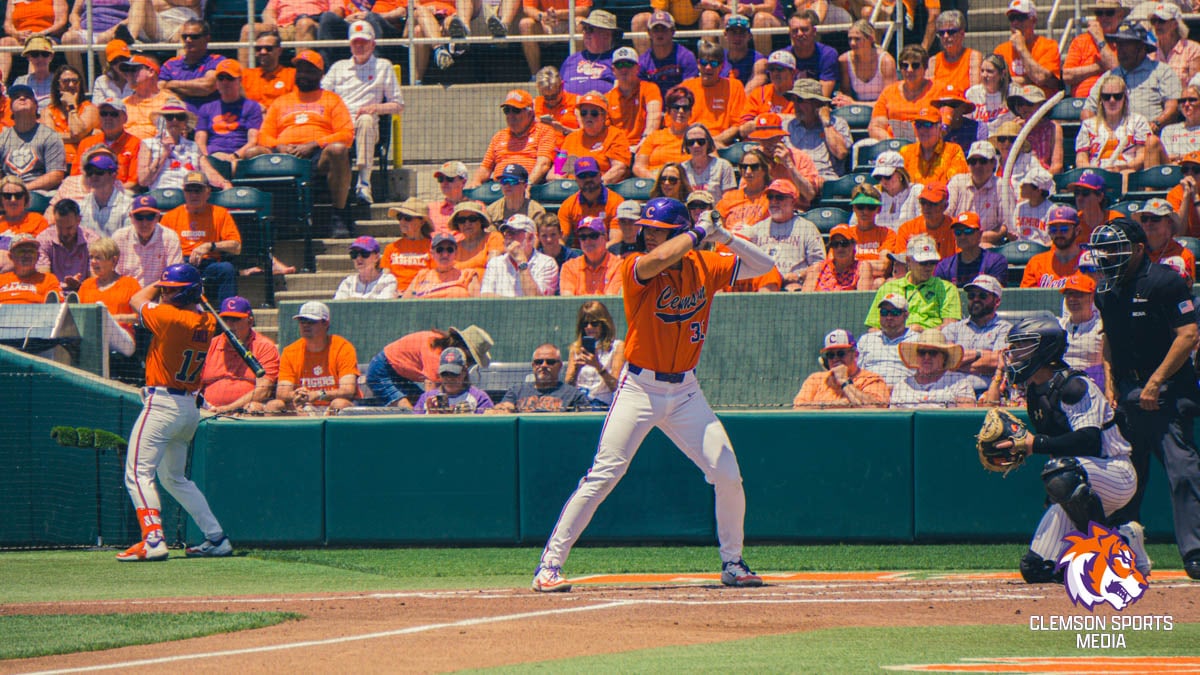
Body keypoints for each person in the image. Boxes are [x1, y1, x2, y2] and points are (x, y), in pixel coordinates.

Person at [531, 196, 777, 592]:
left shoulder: (705, 264)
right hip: (639, 389)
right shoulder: (634, 267)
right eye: (646, 230)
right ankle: (549, 566)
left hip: (686, 392)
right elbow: (658, 260)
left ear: (676, 232)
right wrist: (697, 233)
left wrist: (721, 235)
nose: (646, 236)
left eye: (656, 231)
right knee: (604, 474)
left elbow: (765, 267)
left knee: (728, 474)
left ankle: (732, 562)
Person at [988, 316, 1143, 581]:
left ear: (1045, 348)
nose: (1015, 354)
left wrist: (1033, 444)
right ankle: (1125, 539)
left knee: (1061, 472)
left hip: (1115, 472)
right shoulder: (1036, 391)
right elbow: (1058, 449)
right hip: (1079, 476)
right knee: (1036, 570)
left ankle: (1103, 555)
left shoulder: (1075, 386)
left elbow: (1089, 440)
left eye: (1023, 346)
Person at [1090, 217, 1200, 581]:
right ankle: (1121, 553)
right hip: (1128, 396)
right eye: (1102, 250)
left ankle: (1195, 551)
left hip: (1168, 395)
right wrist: (1108, 382)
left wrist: (1155, 382)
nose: (1106, 257)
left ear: (1138, 249)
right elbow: (1108, 340)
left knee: (1183, 471)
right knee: (1124, 478)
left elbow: (1187, 336)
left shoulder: (1166, 282)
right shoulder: (1105, 290)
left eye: (1114, 249)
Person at [118, 262, 233, 564]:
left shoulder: (168, 316)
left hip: (163, 405)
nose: (165, 295)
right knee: (174, 478)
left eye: (170, 291)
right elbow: (184, 302)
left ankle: (153, 539)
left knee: (137, 474)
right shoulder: (207, 320)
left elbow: (135, 299)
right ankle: (216, 538)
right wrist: (189, 289)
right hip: (188, 410)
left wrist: (160, 281)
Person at [258, 50, 355, 236]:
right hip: (284, 154)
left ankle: (339, 215)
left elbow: (347, 134)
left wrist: (314, 144)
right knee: (252, 153)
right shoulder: (281, 102)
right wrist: (279, 146)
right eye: (300, 70)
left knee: (339, 150)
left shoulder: (332, 100)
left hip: (318, 155)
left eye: (309, 70)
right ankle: (266, 219)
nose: (303, 74)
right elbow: (264, 136)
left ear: (321, 74)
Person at [321, 20, 404, 205]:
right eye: (355, 42)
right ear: (350, 44)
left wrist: (375, 108)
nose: (359, 46)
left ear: (373, 44)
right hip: (339, 123)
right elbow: (322, 96)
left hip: (367, 122)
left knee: (366, 120)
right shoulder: (338, 67)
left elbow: (398, 104)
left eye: (363, 42)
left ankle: (364, 183)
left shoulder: (383, 66)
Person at [1082, 21, 1180, 150]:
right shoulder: (1109, 76)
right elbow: (1087, 110)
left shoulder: (1162, 71)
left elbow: (1173, 106)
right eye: (1119, 44)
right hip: (1112, 142)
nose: (1120, 49)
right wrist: (1099, 131)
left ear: (1141, 47)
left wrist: (1156, 123)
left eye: (1126, 44)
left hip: (1149, 141)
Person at [159, 172, 240, 305]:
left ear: (208, 192)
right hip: (180, 263)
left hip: (209, 263)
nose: (193, 195)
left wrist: (210, 246)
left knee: (226, 268)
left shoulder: (220, 213)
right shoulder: (170, 217)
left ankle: (228, 313)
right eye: (189, 190)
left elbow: (236, 247)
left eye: (198, 190)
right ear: (183, 193)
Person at [266, 301, 359, 414]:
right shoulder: (290, 351)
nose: (305, 325)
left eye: (311, 322)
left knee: (340, 404)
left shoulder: (343, 348)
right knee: (274, 405)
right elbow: (281, 392)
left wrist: (319, 394)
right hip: (303, 407)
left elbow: (348, 390)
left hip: (331, 406)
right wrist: (298, 395)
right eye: (302, 321)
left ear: (325, 323)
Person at [367, 325, 491, 407]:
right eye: (471, 358)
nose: (469, 364)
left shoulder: (443, 347)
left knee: (417, 406)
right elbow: (431, 395)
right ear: (462, 347)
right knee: (410, 413)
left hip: (401, 375)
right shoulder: (436, 354)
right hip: (381, 372)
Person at [199, 296, 280, 415]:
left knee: (254, 407)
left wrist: (227, 408)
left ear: (250, 321)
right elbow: (193, 387)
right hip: (208, 410)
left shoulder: (264, 347)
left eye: (235, 319)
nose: (229, 324)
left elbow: (263, 391)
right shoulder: (210, 345)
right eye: (225, 319)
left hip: (243, 413)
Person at [866, 234, 961, 331]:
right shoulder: (888, 288)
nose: (928, 267)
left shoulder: (946, 288)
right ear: (908, 260)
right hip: (893, 339)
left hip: (929, 340)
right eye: (923, 263)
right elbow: (873, 327)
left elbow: (950, 326)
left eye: (932, 262)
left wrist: (923, 331)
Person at [740, 179, 824, 286]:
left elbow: (819, 264)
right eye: (770, 197)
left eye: (779, 197)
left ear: (793, 201)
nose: (774, 202)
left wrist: (798, 276)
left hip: (795, 285)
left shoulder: (807, 228)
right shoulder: (757, 229)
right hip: (763, 284)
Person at [137, 99, 231, 192]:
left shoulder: (193, 146)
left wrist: (224, 183)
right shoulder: (148, 144)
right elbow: (144, 181)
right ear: (162, 121)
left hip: (189, 195)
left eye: (180, 117)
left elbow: (209, 172)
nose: (174, 120)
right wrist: (164, 154)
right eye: (169, 117)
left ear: (185, 122)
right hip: (161, 195)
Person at [469, 89, 556, 188]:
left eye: (516, 110)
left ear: (530, 113)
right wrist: (476, 182)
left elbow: (543, 164)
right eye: (507, 110)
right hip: (500, 187)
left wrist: (528, 185)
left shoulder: (544, 131)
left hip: (528, 187)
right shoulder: (499, 136)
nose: (510, 116)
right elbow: (485, 168)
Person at [942, 274, 1012, 393]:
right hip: (951, 391)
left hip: (986, 392)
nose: (976, 299)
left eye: (982, 295)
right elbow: (944, 359)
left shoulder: (1005, 329)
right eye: (972, 295)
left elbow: (997, 361)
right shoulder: (953, 328)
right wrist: (979, 354)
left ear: (997, 301)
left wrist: (957, 364)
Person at [195, 60, 266, 172]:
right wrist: (207, 158)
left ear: (239, 81)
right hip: (213, 156)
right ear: (216, 82)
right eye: (221, 78)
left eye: (230, 78)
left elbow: (253, 140)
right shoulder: (206, 108)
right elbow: (200, 140)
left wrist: (235, 156)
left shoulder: (252, 107)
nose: (225, 82)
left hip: (241, 157)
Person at [792, 329, 890, 407]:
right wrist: (837, 404)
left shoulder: (871, 380)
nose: (835, 359)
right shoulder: (816, 379)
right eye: (830, 355)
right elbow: (799, 407)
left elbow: (875, 409)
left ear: (855, 354)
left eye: (841, 353)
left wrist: (844, 381)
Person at [679, 40, 749, 147]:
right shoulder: (686, 88)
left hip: (722, 142)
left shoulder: (734, 86)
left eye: (714, 63)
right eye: (704, 63)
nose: (708, 67)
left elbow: (737, 125)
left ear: (722, 66)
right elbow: (676, 123)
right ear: (698, 64)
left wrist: (712, 142)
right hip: (691, 141)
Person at [552, 91, 631, 183]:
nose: (588, 116)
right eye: (584, 113)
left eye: (594, 113)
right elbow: (557, 171)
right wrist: (559, 180)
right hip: (572, 189)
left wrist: (593, 186)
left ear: (604, 115)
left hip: (601, 188)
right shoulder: (572, 138)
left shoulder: (615, 135)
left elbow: (619, 169)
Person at [1077, 74, 1150, 173]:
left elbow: (1142, 156)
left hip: (1127, 172)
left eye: (1117, 96)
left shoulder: (1138, 121)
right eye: (1106, 97)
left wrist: (1122, 168)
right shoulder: (1088, 125)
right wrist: (1092, 172)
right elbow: (1081, 158)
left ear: (1125, 98)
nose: (1112, 100)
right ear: (1101, 100)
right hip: (1095, 174)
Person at [489, 343, 591, 413]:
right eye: (539, 362)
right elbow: (499, 414)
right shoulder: (516, 392)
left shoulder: (573, 395)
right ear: (533, 365)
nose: (543, 365)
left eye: (550, 362)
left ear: (560, 366)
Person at [947, 141, 1016, 245]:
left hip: (988, 244)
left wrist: (975, 239)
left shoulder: (1002, 186)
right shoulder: (957, 182)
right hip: (956, 240)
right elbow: (947, 216)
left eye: (983, 161)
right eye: (973, 161)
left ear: (993, 163)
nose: (977, 166)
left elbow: (1006, 226)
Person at [746, 113, 820, 208]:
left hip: (794, 211)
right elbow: (746, 194)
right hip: (761, 211)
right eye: (763, 139)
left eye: (772, 139)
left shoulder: (799, 157)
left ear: (780, 137)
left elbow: (810, 195)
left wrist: (789, 165)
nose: (767, 143)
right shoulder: (753, 159)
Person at [0, 84, 65, 193]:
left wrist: (23, 189)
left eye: (28, 96)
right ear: (11, 108)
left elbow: (56, 175)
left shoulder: (49, 136)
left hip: (39, 193)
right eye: (16, 97)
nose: (22, 98)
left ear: (36, 106)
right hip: (7, 193)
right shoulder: (3, 138)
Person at [890, 329, 977, 407]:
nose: (927, 357)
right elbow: (894, 421)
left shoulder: (958, 381)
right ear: (916, 356)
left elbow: (966, 417)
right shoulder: (903, 385)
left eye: (932, 352)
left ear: (944, 357)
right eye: (922, 352)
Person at [786, 78, 852, 180]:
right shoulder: (788, 126)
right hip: (795, 179)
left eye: (800, 100)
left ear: (816, 103)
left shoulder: (837, 123)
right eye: (793, 100)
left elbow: (841, 153)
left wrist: (826, 123)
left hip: (825, 179)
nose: (795, 105)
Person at [994, 0, 1062, 98]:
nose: (1015, 23)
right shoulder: (1001, 50)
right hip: (1010, 105)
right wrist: (1027, 80)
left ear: (1033, 20)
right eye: (1012, 18)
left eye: (1021, 18)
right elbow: (996, 82)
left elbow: (1040, 77)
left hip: (1042, 105)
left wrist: (1021, 48)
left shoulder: (1048, 46)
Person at [563, 300, 625, 407]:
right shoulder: (576, 348)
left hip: (602, 403)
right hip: (579, 401)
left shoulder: (617, 346)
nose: (589, 327)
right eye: (585, 324)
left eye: (594, 323)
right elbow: (568, 386)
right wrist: (577, 370)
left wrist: (598, 366)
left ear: (604, 324)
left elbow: (615, 386)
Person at [112, 195, 183, 287]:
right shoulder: (119, 237)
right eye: (139, 217)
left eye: (150, 217)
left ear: (157, 217)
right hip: (124, 292)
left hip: (158, 294)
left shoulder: (170, 237)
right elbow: (112, 274)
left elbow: (173, 276)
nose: (144, 223)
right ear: (131, 217)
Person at [157, 20, 225, 116]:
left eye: (194, 37)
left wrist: (173, 84)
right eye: (185, 37)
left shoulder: (217, 61)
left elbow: (208, 86)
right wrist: (195, 88)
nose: (188, 40)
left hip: (210, 118)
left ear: (207, 38)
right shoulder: (170, 64)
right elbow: (162, 90)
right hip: (178, 119)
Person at [868, 44, 936, 141]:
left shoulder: (938, 89)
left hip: (926, 145)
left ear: (925, 68)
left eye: (915, 65)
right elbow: (875, 127)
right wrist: (894, 144)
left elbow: (943, 127)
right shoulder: (889, 92)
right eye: (905, 65)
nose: (909, 70)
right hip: (892, 146)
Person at [1062, 0, 1127, 99]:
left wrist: (1100, 39)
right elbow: (1067, 76)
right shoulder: (1081, 40)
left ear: (1120, 15)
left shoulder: (1126, 40)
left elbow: (1117, 71)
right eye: (1099, 13)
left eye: (1109, 13)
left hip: (1113, 100)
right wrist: (1098, 67)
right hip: (1082, 101)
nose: (1104, 18)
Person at [481, 214, 558, 296]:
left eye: (514, 232)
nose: (509, 237)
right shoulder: (495, 263)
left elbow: (536, 302)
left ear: (531, 237)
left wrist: (522, 263)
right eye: (507, 232)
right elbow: (486, 297)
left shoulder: (547, 263)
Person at [74, 99, 141, 192]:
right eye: (104, 114)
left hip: (121, 194)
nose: (108, 118)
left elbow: (133, 183)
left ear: (125, 118)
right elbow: (76, 176)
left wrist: (106, 192)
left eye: (114, 114)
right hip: (87, 193)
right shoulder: (86, 143)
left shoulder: (136, 143)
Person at [77, 236, 140, 334]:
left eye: (98, 258)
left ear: (114, 260)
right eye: (91, 257)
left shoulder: (130, 284)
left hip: (121, 338)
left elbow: (141, 317)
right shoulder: (86, 285)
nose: (93, 262)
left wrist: (112, 319)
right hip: (92, 336)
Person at [856, 292, 918, 388]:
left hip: (902, 394)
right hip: (868, 392)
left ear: (906, 315)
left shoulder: (917, 340)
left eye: (895, 313)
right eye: (884, 313)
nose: (889, 317)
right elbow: (857, 372)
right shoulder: (867, 339)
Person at [41, 65, 98, 170]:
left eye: (75, 81)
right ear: (58, 85)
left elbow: (76, 132)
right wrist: (82, 137)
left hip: (85, 165)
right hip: (56, 164)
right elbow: (49, 139)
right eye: (66, 81)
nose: (71, 85)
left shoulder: (90, 109)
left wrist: (72, 106)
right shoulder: (47, 111)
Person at [607, 46, 663, 153]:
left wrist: (644, 142)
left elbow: (654, 116)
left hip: (646, 144)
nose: (624, 69)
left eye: (628, 64)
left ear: (637, 68)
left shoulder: (650, 88)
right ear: (613, 70)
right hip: (618, 149)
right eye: (619, 65)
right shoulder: (608, 97)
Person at [36, 199, 98, 293]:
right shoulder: (44, 238)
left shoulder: (92, 240)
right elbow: (44, 277)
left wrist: (80, 286)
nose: (64, 233)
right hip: (53, 293)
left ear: (78, 220)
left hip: (85, 292)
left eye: (69, 228)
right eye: (60, 227)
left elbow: (95, 279)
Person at [556, 157, 625, 241]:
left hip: (607, 251)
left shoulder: (616, 202)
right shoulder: (568, 205)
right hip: (578, 252)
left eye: (592, 175)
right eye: (583, 176)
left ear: (600, 175)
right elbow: (560, 240)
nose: (588, 179)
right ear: (576, 179)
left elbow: (616, 241)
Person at [518, 0, 591, 78]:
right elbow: (528, 8)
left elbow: (584, 9)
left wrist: (560, 14)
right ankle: (535, 76)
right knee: (525, 24)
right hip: (545, 24)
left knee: (581, 22)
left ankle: (577, 75)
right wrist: (542, 16)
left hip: (570, 22)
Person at [633, 86, 694, 179]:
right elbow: (638, 167)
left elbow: (714, 163)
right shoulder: (654, 137)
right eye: (676, 107)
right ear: (668, 111)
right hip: (656, 182)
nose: (681, 111)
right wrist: (657, 180)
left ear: (690, 111)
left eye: (685, 108)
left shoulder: (698, 137)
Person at [934, 212, 1009, 287]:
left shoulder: (995, 262)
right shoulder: (944, 266)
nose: (962, 237)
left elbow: (997, 294)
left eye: (968, 231)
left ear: (980, 234)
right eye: (958, 232)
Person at [413, 347, 495, 414]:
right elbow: (415, 429)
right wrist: (431, 418)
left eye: (454, 374)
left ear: (464, 372)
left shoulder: (479, 397)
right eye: (445, 374)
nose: (449, 378)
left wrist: (468, 420)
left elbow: (488, 429)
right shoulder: (427, 398)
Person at [899, 107, 967, 187]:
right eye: (918, 125)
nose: (922, 130)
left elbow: (957, 186)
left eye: (928, 125)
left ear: (940, 128)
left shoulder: (953, 151)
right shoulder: (906, 151)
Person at [834, 19, 896, 107]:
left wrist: (855, 104)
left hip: (882, 110)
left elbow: (890, 101)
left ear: (870, 39)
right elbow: (846, 93)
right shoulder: (844, 60)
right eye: (850, 39)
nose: (852, 43)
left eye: (857, 39)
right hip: (856, 112)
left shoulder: (886, 61)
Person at [637, 10, 698, 97]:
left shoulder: (686, 56)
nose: (660, 33)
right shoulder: (642, 62)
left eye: (664, 29)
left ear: (673, 32)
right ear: (649, 33)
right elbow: (642, 92)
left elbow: (689, 90)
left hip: (680, 105)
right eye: (655, 29)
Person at [1058, 271, 1105, 386]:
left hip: (1093, 385)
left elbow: (1110, 364)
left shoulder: (1102, 327)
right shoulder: (1058, 325)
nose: (1072, 299)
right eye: (1068, 294)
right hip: (1060, 384)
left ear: (1092, 296)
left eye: (1078, 294)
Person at [1021, 205, 1085, 288]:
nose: (1058, 233)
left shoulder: (1088, 261)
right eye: (1053, 229)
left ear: (1077, 230)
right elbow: (1027, 298)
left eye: (1064, 229)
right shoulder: (1037, 263)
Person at [1006, 85, 1064, 176]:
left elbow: (1057, 166)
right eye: (1020, 104)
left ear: (1041, 106)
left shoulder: (1053, 127)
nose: (1023, 108)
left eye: (1029, 104)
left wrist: (1040, 182)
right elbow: (1007, 164)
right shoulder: (1016, 128)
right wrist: (1013, 134)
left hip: (1044, 177)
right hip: (1018, 177)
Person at [558, 10, 619, 95]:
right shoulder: (571, 59)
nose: (585, 33)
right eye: (584, 28)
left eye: (589, 29)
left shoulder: (617, 60)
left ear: (607, 35)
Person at [404, 232, 482, 298]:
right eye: (439, 250)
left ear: (456, 253)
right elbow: (404, 304)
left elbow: (478, 306)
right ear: (432, 253)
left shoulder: (467, 275)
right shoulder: (422, 276)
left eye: (450, 250)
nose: (445, 254)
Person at [737, 49, 796, 137]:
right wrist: (782, 119)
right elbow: (743, 129)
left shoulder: (799, 95)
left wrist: (761, 120)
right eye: (771, 69)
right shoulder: (759, 93)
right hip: (758, 145)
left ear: (793, 72)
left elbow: (798, 125)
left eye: (780, 69)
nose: (775, 73)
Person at [891, 180, 955, 259]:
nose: (926, 207)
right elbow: (901, 263)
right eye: (923, 202)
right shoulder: (906, 229)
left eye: (932, 203)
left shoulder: (956, 230)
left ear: (945, 206)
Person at [559, 216, 621, 295]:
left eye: (593, 236)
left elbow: (611, 302)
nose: (587, 241)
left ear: (605, 237)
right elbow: (568, 302)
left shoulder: (619, 266)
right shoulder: (569, 267)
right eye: (583, 237)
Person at [1138, 198, 1195, 283]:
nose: (1148, 223)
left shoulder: (1183, 255)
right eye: (1144, 219)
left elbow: (1183, 290)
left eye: (1155, 218)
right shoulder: (1137, 252)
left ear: (1169, 222)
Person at [800, 225, 871, 292]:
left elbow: (863, 300)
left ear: (853, 245)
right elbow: (805, 300)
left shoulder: (862, 267)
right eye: (835, 244)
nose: (839, 248)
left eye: (844, 243)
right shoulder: (817, 269)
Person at [381, 200, 433, 293]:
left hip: (421, 294)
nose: (402, 221)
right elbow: (385, 277)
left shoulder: (433, 248)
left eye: (407, 218)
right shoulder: (391, 248)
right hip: (394, 295)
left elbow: (434, 277)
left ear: (422, 222)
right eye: (400, 217)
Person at [715, 147, 771, 231]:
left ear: (764, 169)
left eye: (754, 167)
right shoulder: (729, 197)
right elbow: (718, 227)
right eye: (744, 167)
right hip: (730, 241)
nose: (748, 171)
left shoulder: (772, 196)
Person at [121, 55, 175, 141]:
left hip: (155, 149)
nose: (128, 74)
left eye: (133, 70)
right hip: (124, 149)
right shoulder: (123, 104)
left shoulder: (169, 101)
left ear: (151, 72)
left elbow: (176, 135)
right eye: (126, 71)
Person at [785, 10, 836, 98]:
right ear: (789, 33)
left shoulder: (827, 54)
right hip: (790, 105)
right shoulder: (784, 56)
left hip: (816, 104)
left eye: (804, 30)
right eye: (795, 31)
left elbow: (823, 95)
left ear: (814, 31)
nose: (799, 34)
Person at [679, 124, 735, 203]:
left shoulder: (723, 166)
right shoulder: (682, 169)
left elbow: (728, 200)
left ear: (708, 143)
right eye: (691, 142)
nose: (696, 145)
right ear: (686, 146)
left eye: (701, 141)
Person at [869, 151, 924, 231]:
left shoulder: (916, 191)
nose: (883, 181)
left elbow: (923, 223)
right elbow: (856, 223)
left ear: (900, 174)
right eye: (879, 177)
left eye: (887, 176)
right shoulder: (874, 193)